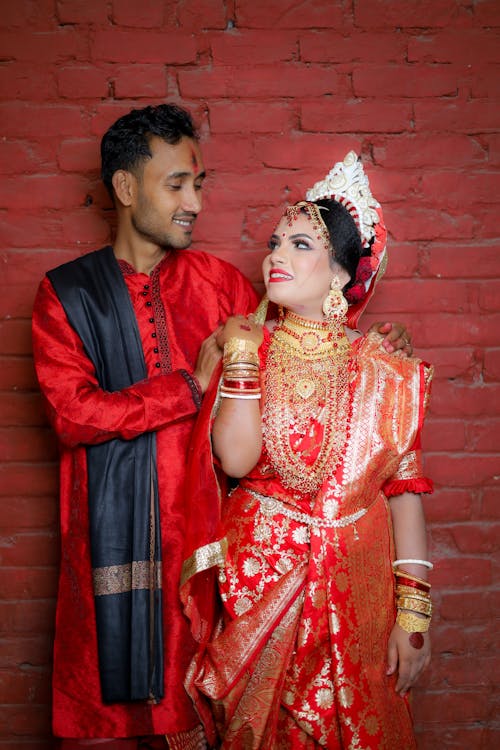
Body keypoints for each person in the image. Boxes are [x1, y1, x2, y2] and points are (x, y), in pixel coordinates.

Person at [31, 103, 412, 750]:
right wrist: (188, 385)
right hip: (110, 540)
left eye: (199, 184)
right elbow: (73, 414)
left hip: (212, 555)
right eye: (177, 184)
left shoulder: (220, 286)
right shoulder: (66, 295)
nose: (194, 202)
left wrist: (372, 344)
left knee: (204, 716)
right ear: (126, 190)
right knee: (107, 711)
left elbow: (303, 337)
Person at [181, 152, 433, 749]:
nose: (275, 256)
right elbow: (236, 462)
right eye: (275, 243)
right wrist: (241, 359)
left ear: (344, 276)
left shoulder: (384, 369)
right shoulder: (250, 347)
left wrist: (413, 615)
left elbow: (403, 490)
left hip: (359, 588)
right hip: (262, 583)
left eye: (299, 245)